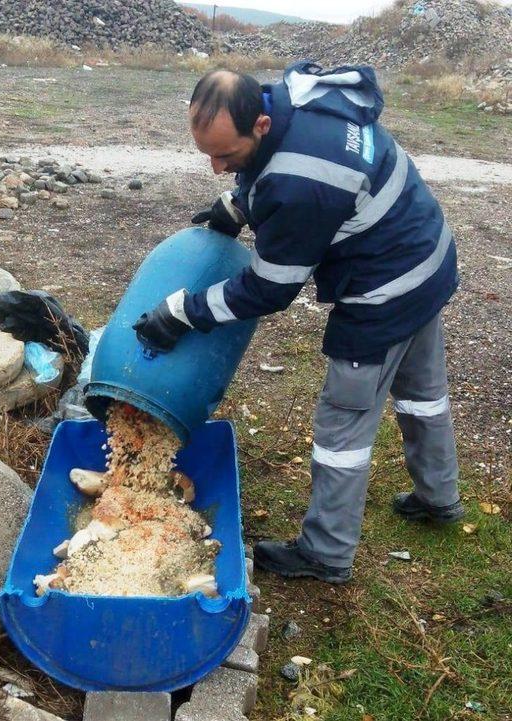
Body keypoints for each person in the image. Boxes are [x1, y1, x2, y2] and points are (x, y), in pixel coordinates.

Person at [133, 62, 464, 584]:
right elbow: (272, 169)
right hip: (426, 256)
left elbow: (271, 287)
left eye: (226, 156)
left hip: (384, 287)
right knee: (423, 393)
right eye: (209, 156)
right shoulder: (294, 99)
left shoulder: (301, 181)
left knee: (343, 426)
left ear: (259, 124)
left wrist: (184, 313)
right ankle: (439, 497)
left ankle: (326, 554)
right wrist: (237, 204)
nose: (218, 167)